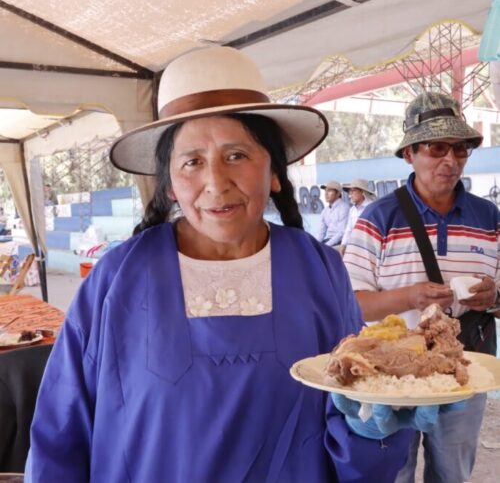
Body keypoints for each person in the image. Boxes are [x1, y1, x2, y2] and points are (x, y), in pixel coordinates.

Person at [26, 48, 449, 482]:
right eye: (192, 161)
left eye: (237, 156)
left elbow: (353, 416)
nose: (216, 182)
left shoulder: (319, 271)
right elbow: (60, 433)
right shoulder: (117, 279)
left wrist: (375, 421)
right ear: (170, 183)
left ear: (274, 172)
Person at [343, 91, 500, 483]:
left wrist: (494, 297)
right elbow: (351, 306)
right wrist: (409, 297)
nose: (450, 160)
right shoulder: (377, 218)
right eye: (436, 147)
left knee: (453, 474)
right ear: (409, 153)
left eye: (460, 148)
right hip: (394, 376)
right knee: (395, 472)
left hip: (464, 370)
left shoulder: (489, 217)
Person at [339, 178, 376, 255]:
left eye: (353, 191)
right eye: (350, 192)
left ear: (362, 192)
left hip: (368, 247)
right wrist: (343, 244)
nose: (350, 195)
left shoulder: (371, 207)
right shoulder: (352, 210)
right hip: (355, 245)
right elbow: (348, 229)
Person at [317, 180, 349, 247]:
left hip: (340, 242)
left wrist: (326, 246)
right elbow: (321, 232)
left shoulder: (344, 208)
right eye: (325, 191)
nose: (326, 193)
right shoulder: (325, 211)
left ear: (338, 194)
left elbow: (341, 233)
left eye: (329, 191)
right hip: (328, 241)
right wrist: (316, 245)